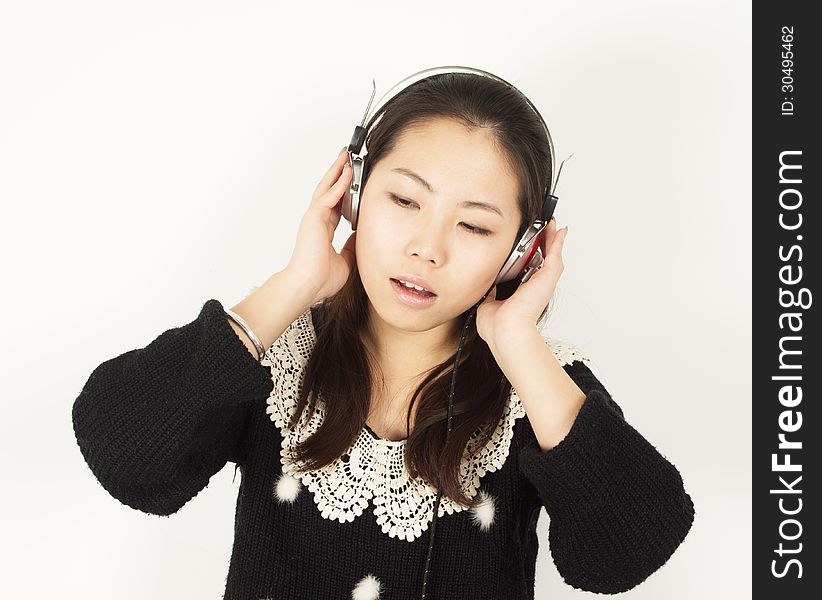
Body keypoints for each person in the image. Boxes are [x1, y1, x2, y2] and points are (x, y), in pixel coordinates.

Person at [72, 68, 695, 600]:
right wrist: (296, 283)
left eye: (475, 227)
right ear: (355, 195)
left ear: (520, 252)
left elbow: (627, 553)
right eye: (404, 200)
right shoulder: (274, 357)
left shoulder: (537, 388)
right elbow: (129, 459)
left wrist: (518, 344)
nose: (427, 248)